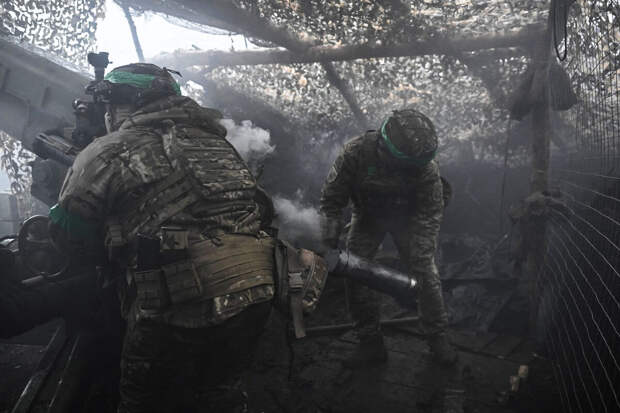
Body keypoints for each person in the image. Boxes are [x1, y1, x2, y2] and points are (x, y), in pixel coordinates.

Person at [48, 63, 277, 412]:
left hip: (175, 308)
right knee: (220, 395)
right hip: (254, 295)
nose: (106, 114)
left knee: (147, 403)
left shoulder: (108, 149)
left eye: (108, 105)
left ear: (122, 105)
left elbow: (67, 235)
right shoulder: (220, 145)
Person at [319, 108, 457, 367]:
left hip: (410, 218)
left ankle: (438, 338)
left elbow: (430, 212)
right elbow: (331, 201)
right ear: (385, 149)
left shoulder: (426, 167)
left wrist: (420, 252)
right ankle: (370, 341)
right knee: (354, 269)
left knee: (425, 273)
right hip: (368, 217)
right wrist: (329, 241)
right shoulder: (356, 153)